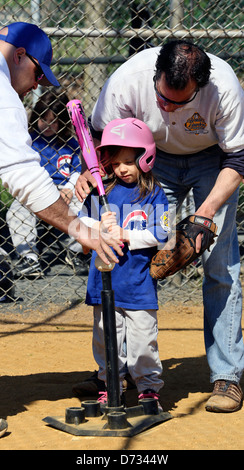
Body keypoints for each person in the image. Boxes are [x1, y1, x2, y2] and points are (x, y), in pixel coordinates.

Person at [75, 39, 244, 413]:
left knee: (219, 263)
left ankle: (227, 376)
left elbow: (238, 158)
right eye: (162, 97)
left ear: (200, 86)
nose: (166, 107)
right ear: (156, 75)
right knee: (127, 256)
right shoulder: (128, 78)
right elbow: (101, 138)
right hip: (149, 160)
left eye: (178, 102)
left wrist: (205, 214)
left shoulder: (225, 88)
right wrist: (90, 174)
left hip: (212, 160)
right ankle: (115, 372)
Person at [0, 21, 122, 438]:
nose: (34, 88)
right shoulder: (2, 91)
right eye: (37, 74)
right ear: (19, 55)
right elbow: (21, 174)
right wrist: (77, 227)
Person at [78, 117, 169, 409]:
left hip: (139, 284)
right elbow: (80, 234)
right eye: (116, 163)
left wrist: (125, 234)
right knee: (107, 340)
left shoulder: (155, 193)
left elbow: (164, 233)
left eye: (130, 161)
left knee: (143, 341)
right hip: (103, 284)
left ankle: (148, 388)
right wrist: (97, 228)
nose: (122, 169)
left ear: (146, 158)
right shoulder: (99, 193)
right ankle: (110, 384)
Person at [6, 89, 88, 277]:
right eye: (44, 119)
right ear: (36, 116)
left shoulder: (70, 143)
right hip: (37, 188)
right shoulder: (30, 141)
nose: (48, 125)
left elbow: (77, 170)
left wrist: (69, 188)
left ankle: (75, 253)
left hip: (65, 189)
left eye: (54, 121)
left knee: (83, 206)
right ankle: (29, 258)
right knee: (17, 212)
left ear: (63, 122)